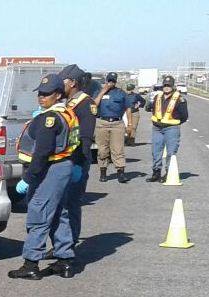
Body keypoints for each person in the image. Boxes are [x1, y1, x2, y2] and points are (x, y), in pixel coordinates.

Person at [7, 74, 79, 280]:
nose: (42, 97)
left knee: (39, 213)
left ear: (58, 95)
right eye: (40, 93)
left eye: (47, 94)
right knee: (58, 213)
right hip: (62, 166)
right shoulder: (65, 113)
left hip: (50, 169)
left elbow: (42, 152)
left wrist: (28, 179)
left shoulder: (49, 118)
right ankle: (64, 260)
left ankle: (31, 263)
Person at [58, 64, 95, 243]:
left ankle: (69, 243)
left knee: (71, 203)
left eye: (62, 80)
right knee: (61, 204)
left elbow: (86, 138)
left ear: (72, 83)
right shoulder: (67, 102)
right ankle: (62, 242)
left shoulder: (86, 103)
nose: (59, 84)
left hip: (77, 160)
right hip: (64, 160)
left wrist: (78, 165)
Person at [147, 75, 188, 183]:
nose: (166, 87)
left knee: (171, 152)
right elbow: (151, 109)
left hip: (171, 128)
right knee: (156, 151)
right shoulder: (157, 97)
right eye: (165, 85)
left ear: (173, 86)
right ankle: (156, 172)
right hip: (157, 128)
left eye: (169, 86)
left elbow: (184, 116)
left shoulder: (180, 99)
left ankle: (169, 173)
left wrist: (174, 123)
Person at [93, 72, 130, 183]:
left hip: (117, 123)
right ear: (106, 80)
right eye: (109, 80)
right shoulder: (99, 92)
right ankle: (103, 172)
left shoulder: (121, 93)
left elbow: (128, 109)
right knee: (102, 150)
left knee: (118, 149)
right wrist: (103, 91)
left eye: (113, 81)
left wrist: (130, 125)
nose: (111, 83)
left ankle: (121, 173)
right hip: (102, 123)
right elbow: (94, 105)